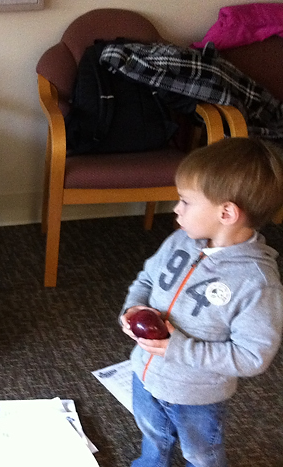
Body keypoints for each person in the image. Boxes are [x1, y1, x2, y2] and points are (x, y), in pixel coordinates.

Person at [119, 137, 283, 466]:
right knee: (151, 432)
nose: (177, 209)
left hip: (197, 396)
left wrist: (177, 349)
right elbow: (147, 278)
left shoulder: (257, 284)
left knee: (200, 452)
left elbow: (253, 356)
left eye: (186, 201)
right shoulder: (182, 240)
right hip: (146, 374)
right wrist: (133, 307)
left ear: (226, 212)